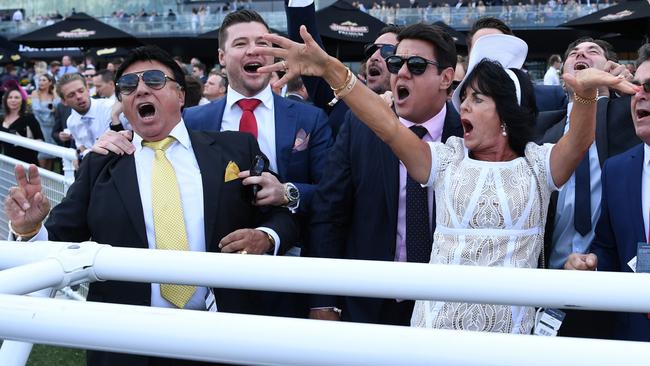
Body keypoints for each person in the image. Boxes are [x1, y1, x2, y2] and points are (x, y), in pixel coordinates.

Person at [256, 27, 637, 333]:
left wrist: (586, 94)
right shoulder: (446, 159)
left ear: (505, 113)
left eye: (477, 99)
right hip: (434, 333)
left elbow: (580, 140)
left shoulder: (538, 166)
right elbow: (387, 126)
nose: (463, 106)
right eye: (464, 97)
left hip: (510, 338)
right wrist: (331, 70)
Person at [4, 45, 298, 366]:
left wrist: (266, 236)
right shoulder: (100, 165)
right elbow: (58, 240)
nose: (141, 88)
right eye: (128, 86)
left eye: (154, 80)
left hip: (224, 334)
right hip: (128, 343)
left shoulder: (234, 149)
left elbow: (282, 214)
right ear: (123, 103)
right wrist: (29, 228)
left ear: (181, 95)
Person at [308, 23, 462, 326]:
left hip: (447, 308)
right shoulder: (359, 127)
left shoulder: (469, 135)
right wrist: (323, 300)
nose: (401, 73)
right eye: (396, 63)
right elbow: (329, 214)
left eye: (416, 65)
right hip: (367, 305)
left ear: (446, 78)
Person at [564, 43, 650, 342]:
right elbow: (610, 248)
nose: (639, 94)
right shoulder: (619, 170)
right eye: (636, 86)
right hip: (634, 336)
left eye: (649, 86)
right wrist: (592, 263)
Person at [56, 73, 115, 157]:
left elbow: (107, 145)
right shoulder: (71, 122)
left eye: (81, 91)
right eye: (71, 95)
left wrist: (84, 154)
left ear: (87, 89)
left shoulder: (109, 107)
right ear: (64, 101)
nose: (79, 96)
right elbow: (80, 144)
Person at [0, 87, 44, 165]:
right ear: (6, 100)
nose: (13, 100)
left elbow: (41, 140)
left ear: (22, 101)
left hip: (27, 162)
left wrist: (25, 141)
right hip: (8, 162)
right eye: (10, 97)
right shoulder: (1, 119)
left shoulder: (28, 118)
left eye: (17, 97)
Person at [30, 73, 60, 170]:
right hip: (40, 126)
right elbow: (36, 109)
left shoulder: (52, 94)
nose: (41, 82)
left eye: (44, 80)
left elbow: (58, 106)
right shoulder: (35, 93)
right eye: (40, 80)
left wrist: (55, 90)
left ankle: (49, 183)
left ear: (50, 82)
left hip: (52, 127)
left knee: (50, 156)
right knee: (41, 155)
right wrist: (51, 109)